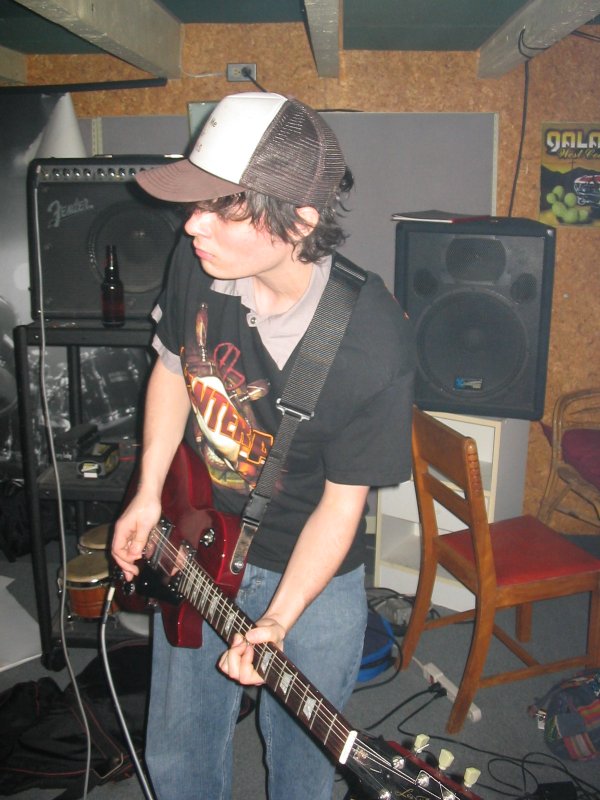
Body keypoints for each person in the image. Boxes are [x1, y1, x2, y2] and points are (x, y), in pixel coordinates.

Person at [111, 91, 415, 800]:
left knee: (303, 768)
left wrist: (278, 617)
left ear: (299, 221)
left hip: (308, 566)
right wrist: (147, 495)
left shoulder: (371, 339)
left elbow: (342, 505)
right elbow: (172, 368)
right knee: (178, 753)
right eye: (196, 203)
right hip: (195, 533)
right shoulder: (201, 263)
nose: (192, 225)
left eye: (222, 208)